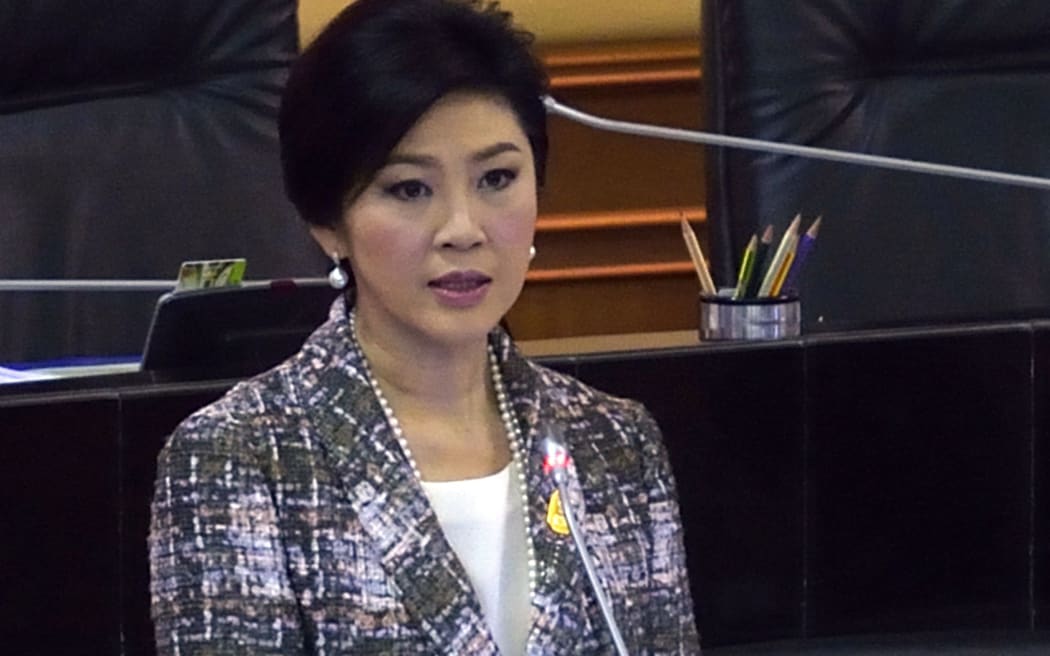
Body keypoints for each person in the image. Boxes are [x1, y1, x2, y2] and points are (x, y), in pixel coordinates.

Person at [148, 0, 700, 653]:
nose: (463, 229)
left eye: (497, 178)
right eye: (410, 189)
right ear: (328, 221)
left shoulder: (617, 444)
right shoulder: (237, 459)